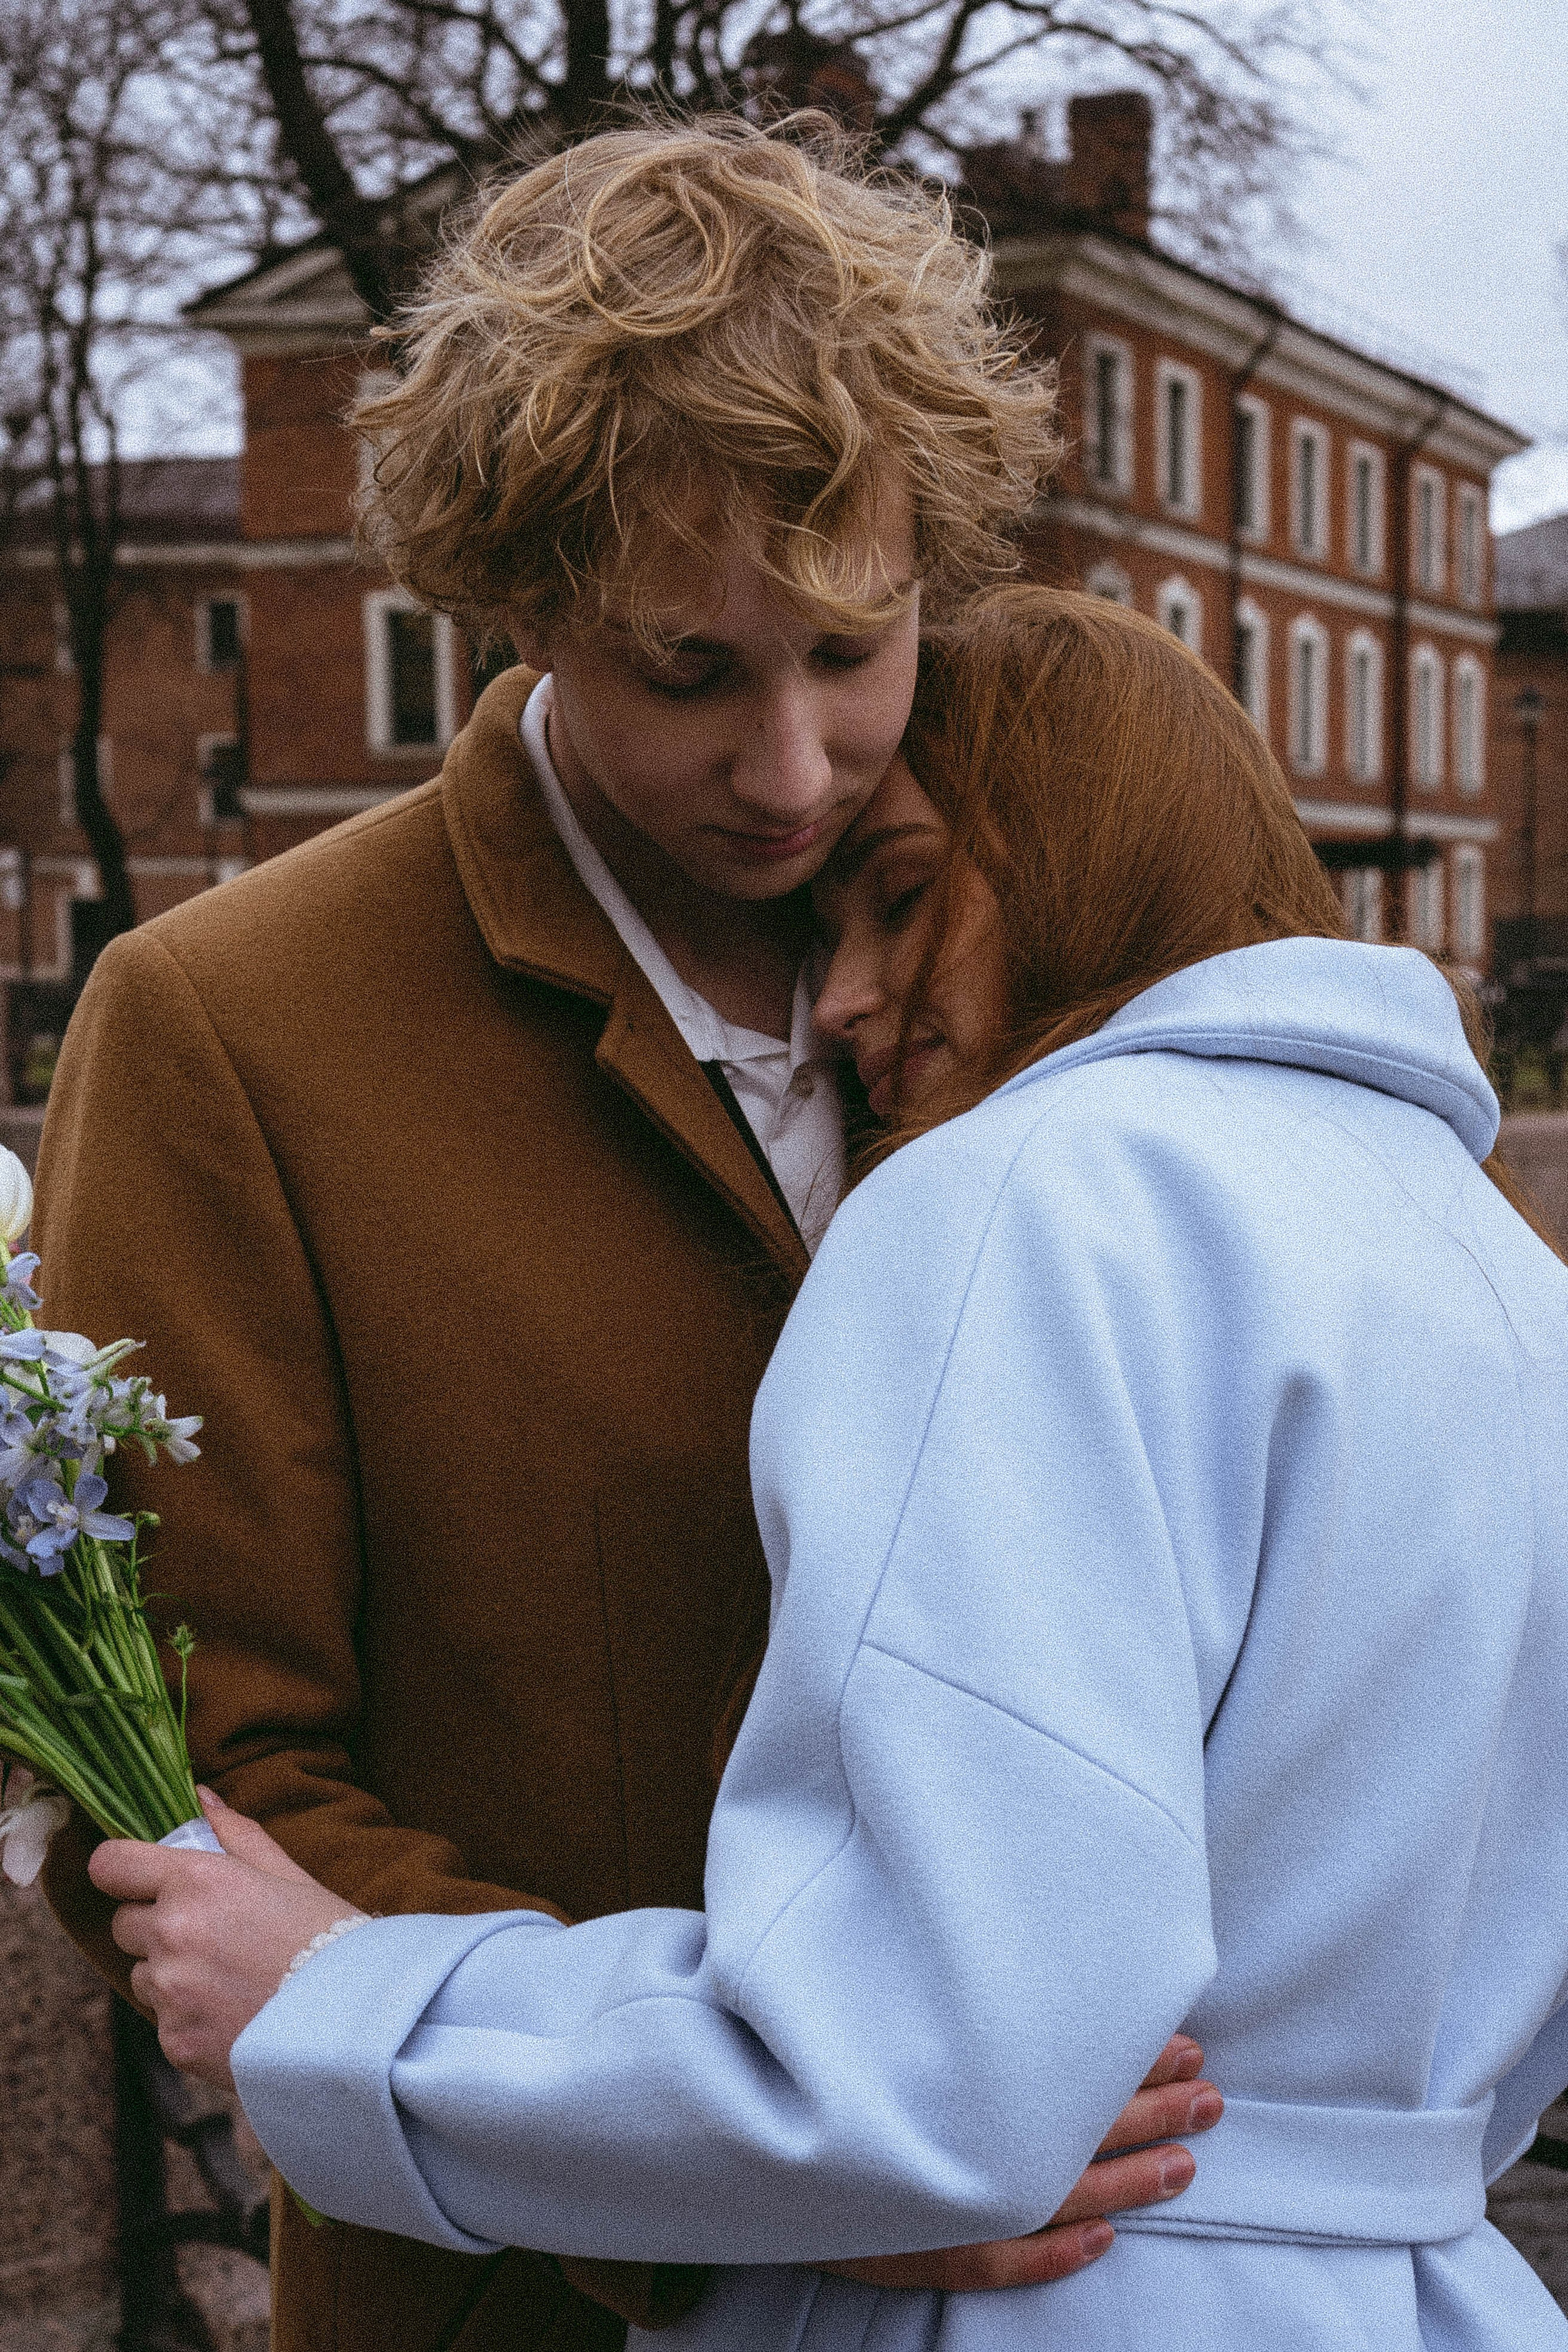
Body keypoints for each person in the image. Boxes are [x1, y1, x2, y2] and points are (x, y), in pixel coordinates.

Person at [36, 122, 1216, 2352]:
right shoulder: (227, 1027)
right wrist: (764, 2159)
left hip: (1103, 2278)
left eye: (856, 650)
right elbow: (184, 1796)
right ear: (517, 601)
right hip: (536, 2309)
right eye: (689, 672)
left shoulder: (1075, 939)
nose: (796, 767)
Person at [96, 586, 1568, 2351]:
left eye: (901, 898)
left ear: (1089, 848)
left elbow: (911, 2085)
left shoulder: (1019, 1193)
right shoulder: (1502, 1271)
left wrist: (346, 2009)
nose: (849, 995)